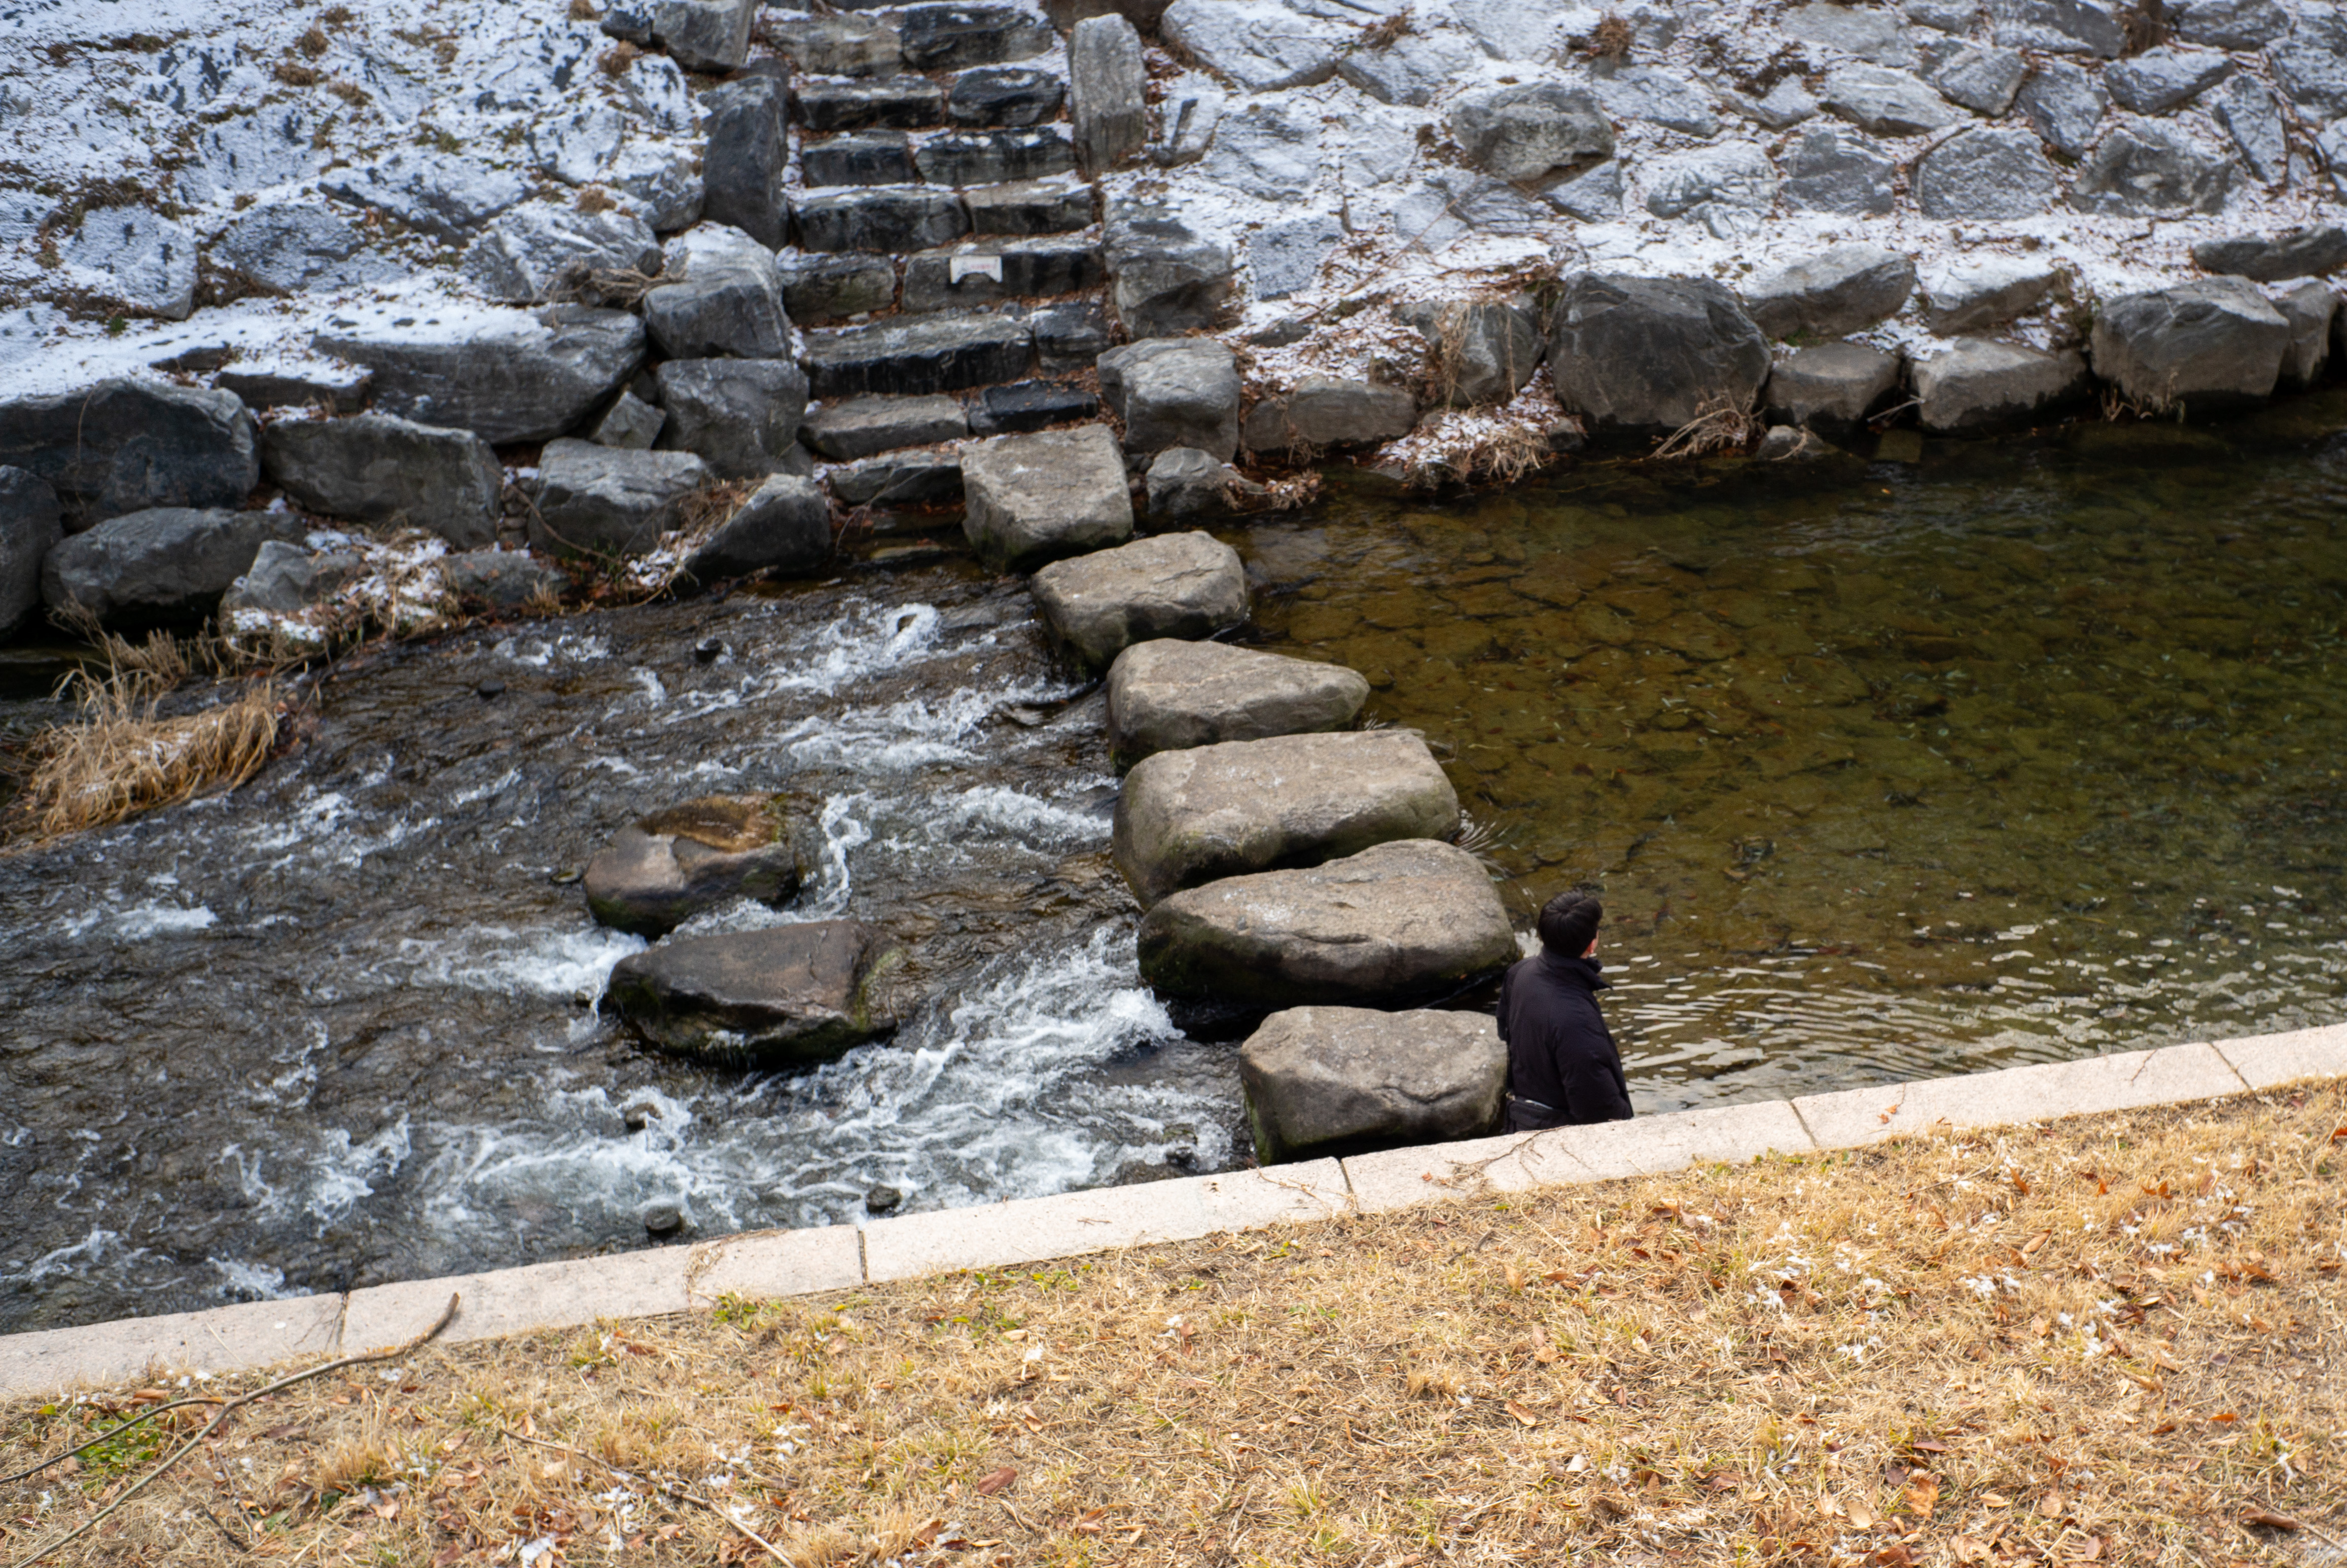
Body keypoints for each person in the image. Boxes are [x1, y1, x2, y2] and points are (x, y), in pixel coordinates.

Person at [1496, 892, 1633, 1131]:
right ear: (1592, 943)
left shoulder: (1520, 972)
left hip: (1522, 1114)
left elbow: (1505, 1030)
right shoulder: (1574, 1020)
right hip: (1553, 1131)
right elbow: (1598, 1106)